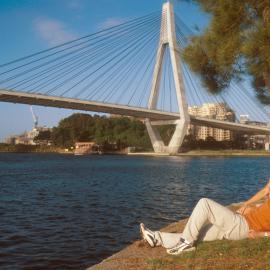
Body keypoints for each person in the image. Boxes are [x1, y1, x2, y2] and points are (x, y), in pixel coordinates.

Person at [140, 179, 270, 255]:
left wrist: (261, 235)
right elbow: (266, 190)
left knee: (205, 204)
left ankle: (186, 243)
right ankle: (156, 238)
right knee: (198, 234)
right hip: (241, 222)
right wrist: (248, 206)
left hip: (243, 227)